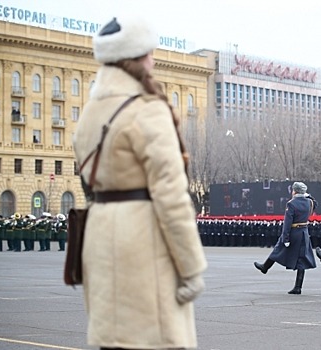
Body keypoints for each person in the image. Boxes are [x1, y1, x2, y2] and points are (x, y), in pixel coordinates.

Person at [73, 16, 207, 350]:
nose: (154, 60)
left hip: (101, 238)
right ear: (133, 58)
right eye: (148, 53)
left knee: (115, 340)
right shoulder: (146, 109)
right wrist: (191, 268)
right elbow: (171, 196)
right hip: (143, 244)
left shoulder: (91, 110)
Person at [254, 181, 317, 294]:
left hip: (293, 232)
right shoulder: (309, 202)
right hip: (304, 232)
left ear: (295, 191)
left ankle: (265, 267)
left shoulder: (291, 204)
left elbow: (287, 223)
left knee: (278, 249)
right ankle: (298, 287)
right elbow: (315, 204)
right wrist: (309, 196)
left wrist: (286, 238)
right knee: (301, 259)